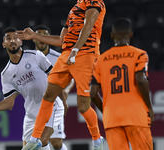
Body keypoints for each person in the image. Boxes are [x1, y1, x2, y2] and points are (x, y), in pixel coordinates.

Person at [15, 0, 106, 150]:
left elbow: (88, 25)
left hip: (86, 55)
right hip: (66, 55)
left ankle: (97, 139)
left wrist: (76, 50)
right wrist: (34, 36)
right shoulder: (74, 8)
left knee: (83, 106)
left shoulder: (95, 1)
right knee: (48, 96)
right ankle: (34, 139)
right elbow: (62, 40)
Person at [0, 27, 73, 150]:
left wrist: (64, 100)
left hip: (51, 107)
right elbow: (9, 103)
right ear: (4, 44)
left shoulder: (36, 56)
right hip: (31, 114)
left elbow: (56, 79)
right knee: (33, 146)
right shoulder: (6, 74)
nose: (13, 40)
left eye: (16, 37)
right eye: (8, 38)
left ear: (21, 42)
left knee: (42, 141)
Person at [90, 18, 154, 150]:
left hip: (112, 118)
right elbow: (141, 80)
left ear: (112, 35)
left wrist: (105, 110)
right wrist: (149, 107)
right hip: (136, 115)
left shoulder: (100, 60)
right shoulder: (140, 55)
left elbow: (92, 93)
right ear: (130, 34)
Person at [33, 24, 74, 150]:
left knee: (56, 142)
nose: (42, 38)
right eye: (39, 35)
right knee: (39, 141)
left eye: (45, 35)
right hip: (35, 104)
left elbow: (71, 77)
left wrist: (66, 90)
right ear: (34, 38)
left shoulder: (59, 58)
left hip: (54, 103)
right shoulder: (29, 58)